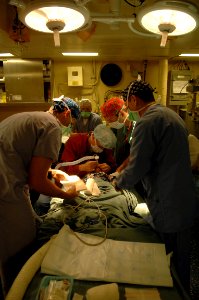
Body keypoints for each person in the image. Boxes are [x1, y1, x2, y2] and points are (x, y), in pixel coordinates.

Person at [114, 79, 199, 293]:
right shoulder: (171, 115)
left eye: (127, 103)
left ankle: (173, 293)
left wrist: (118, 182)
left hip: (168, 200)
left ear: (134, 100)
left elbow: (138, 165)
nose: (126, 109)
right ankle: (184, 292)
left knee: (168, 261)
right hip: (185, 196)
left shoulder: (147, 122)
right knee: (183, 258)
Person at [0, 97, 79, 295]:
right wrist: (66, 194)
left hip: (7, 178)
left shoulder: (30, 118)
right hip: (6, 186)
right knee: (23, 238)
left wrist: (51, 172)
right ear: (67, 114)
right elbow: (37, 181)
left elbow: (24, 154)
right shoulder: (53, 126)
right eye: (72, 122)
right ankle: (16, 288)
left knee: (33, 222)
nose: (70, 126)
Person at [100, 97, 131, 166]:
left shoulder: (131, 125)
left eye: (110, 120)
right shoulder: (116, 127)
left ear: (120, 114)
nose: (109, 123)